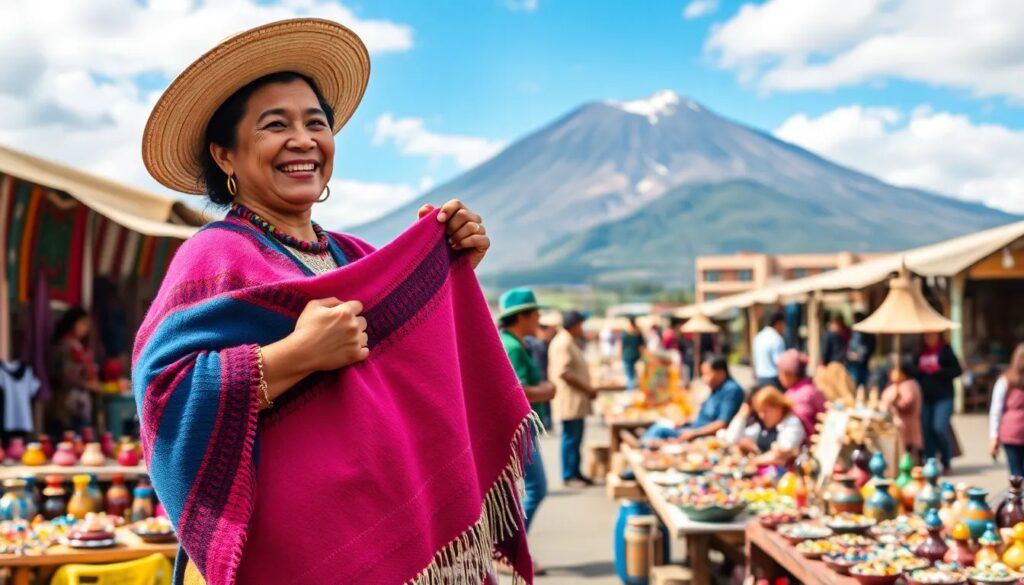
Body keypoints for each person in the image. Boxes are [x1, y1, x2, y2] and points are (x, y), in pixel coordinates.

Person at [131, 19, 537, 584]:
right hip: (288, 558)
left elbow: (417, 377)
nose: (303, 140)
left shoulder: (354, 255)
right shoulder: (214, 257)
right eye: (276, 125)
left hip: (392, 543)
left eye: (315, 123)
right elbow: (164, 395)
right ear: (225, 155)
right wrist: (296, 355)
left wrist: (445, 271)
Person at [498, 288, 556, 575]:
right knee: (536, 488)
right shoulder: (512, 346)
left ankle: (510, 550)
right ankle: (509, 552)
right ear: (521, 317)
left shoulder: (515, 343)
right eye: (535, 313)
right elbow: (517, 390)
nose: (538, 318)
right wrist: (546, 391)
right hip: (519, 427)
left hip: (521, 426)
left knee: (522, 491)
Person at [641, 355, 744, 442]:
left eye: (708, 374)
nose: (704, 379)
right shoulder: (717, 388)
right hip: (693, 428)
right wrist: (686, 421)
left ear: (721, 373)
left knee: (657, 431)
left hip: (701, 435)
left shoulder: (731, 390)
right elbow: (705, 414)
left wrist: (694, 433)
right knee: (658, 426)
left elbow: (722, 423)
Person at [548, 310, 596, 488]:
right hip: (570, 399)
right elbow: (564, 372)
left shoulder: (568, 340)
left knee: (575, 439)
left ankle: (575, 472)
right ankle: (569, 475)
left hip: (575, 399)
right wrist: (587, 388)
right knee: (571, 438)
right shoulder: (563, 342)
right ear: (574, 325)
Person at [915, 330, 962, 473]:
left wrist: (939, 371)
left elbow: (957, 371)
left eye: (932, 335)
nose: (929, 337)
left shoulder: (946, 351)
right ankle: (930, 462)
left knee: (939, 427)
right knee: (926, 429)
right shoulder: (919, 352)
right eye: (927, 335)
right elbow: (913, 372)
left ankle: (946, 460)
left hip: (943, 397)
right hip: (925, 397)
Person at [49, 307, 101, 434]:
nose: (85, 328)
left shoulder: (78, 345)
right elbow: (65, 376)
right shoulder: (65, 346)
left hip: (80, 401)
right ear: (72, 323)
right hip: (68, 402)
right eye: (82, 323)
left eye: (87, 325)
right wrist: (88, 385)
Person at [725, 386, 806, 466]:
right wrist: (742, 414)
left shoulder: (792, 424)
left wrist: (752, 458)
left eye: (765, 411)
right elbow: (733, 439)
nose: (761, 416)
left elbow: (780, 455)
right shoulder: (764, 425)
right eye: (759, 411)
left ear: (778, 407)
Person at [776, 349, 827, 441]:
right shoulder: (813, 387)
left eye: (781, 372)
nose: (779, 377)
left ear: (789, 374)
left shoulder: (796, 396)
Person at [880, 357, 923, 463]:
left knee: (908, 453)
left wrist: (895, 402)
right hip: (899, 425)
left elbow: (907, 403)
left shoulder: (909, 385)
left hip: (907, 425)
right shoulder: (895, 385)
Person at [990, 343, 1024, 476]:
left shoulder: (1005, 380)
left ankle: (1016, 489)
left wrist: (994, 436)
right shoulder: (1006, 380)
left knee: (1015, 472)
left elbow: (996, 410)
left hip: (1010, 432)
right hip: (1013, 432)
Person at [753, 312, 786, 388]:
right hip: (773, 380)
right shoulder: (776, 338)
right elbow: (780, 362)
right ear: (778, 323)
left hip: (760, 378)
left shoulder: (758, 337)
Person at [847, 311, 876, 388]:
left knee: (860, 383)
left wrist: (860, 356)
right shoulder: (854, 332)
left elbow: (868, 347)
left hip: (861, 363)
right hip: (855, 363)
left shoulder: (865, 333)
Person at [620, 318, 645, 389]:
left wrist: (620, 355)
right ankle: (635, 388)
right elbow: (642, 346)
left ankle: (631, 389)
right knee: (636, 375)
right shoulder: (638, 333)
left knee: (630, 375)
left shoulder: (625, 334)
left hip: (627, 356)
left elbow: (621, 345)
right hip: (636, 355)